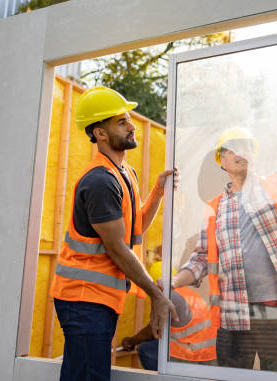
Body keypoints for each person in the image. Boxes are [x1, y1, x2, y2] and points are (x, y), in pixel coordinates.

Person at [49, 86, 179, 381]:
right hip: (83, 299)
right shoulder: (99, 181)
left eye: (128, 119)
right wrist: (156, 295)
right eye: (122, 122)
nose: (132, 126)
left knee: (85, 374)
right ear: (100, 134)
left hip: (99, 300)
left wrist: (158, 191)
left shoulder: (125, 173)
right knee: (88, 377)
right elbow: (118, 248)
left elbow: (136, 228)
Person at [171, 127, 277, 372]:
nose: (241, 152)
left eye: (247, 146)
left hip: (273, 311)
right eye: (233, 148)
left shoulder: (276, 186)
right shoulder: (215, 208)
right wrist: (172, 282)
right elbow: (201, 259)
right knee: (232, 377)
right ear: (222, 161)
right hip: (232, 315)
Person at [121, 261, 217, 370]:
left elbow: (151, 332)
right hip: (209, 353)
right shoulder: (187, 292)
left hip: (194, 354)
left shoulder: (169, 297)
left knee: (145, 349)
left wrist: (130, 341)